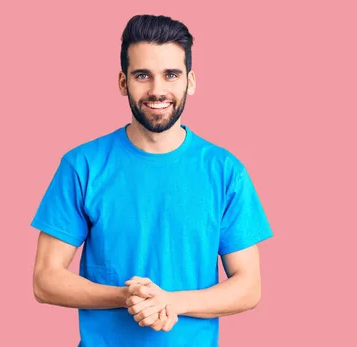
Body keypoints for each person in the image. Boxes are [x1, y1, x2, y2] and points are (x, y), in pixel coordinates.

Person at [30, 14, 273, 347]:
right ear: (122, 82)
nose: (157, 90)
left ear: (190, 81)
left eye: (170, 75)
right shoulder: (82, 166)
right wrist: (127, 296)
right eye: (142, 75)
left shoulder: (225, 171)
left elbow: (249, 286)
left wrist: (172, 301)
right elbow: (45, 280)